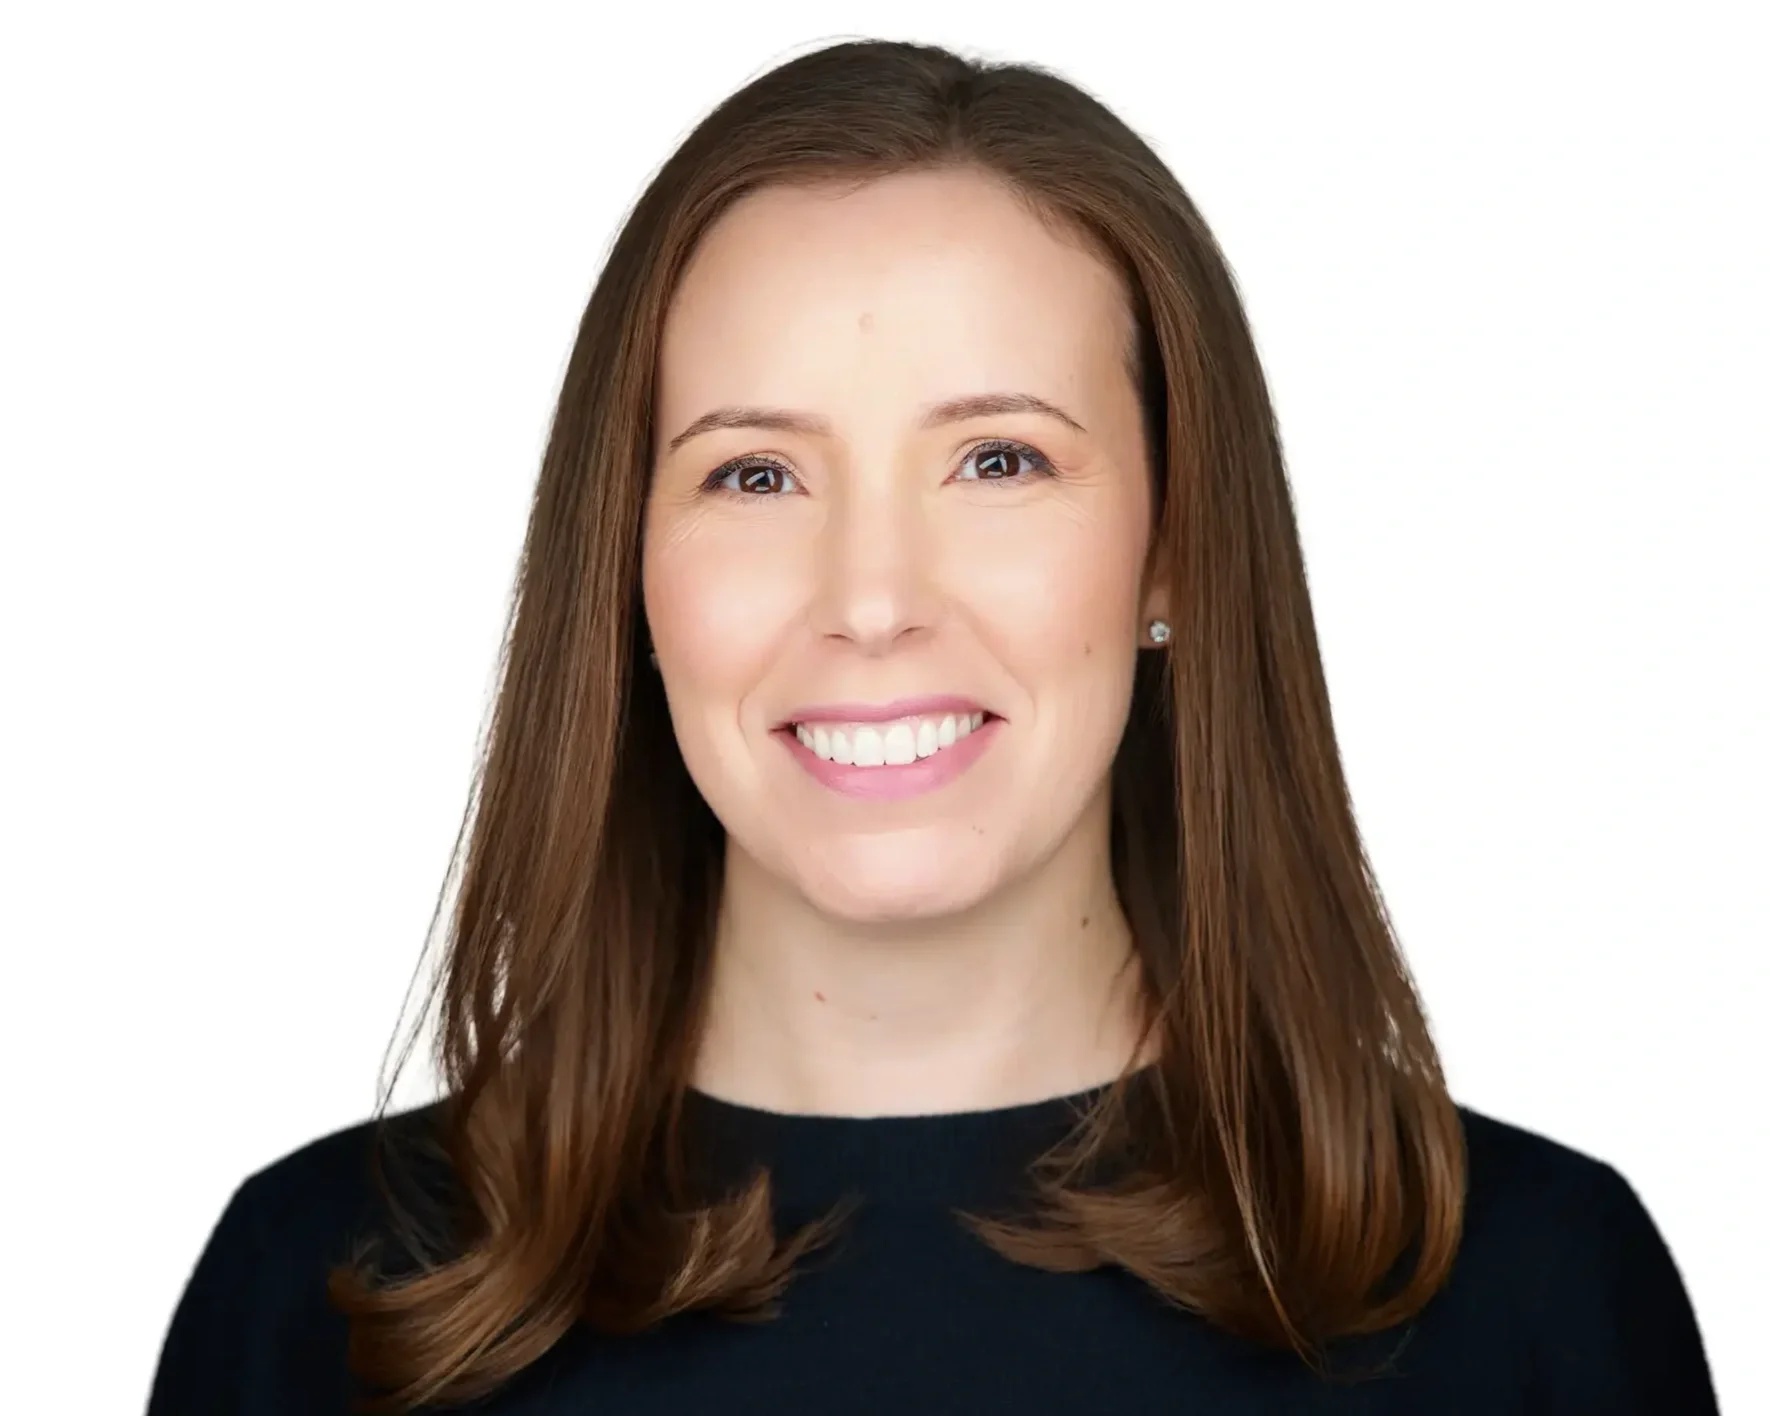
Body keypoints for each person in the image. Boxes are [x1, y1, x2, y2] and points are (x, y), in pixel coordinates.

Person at [146, 37, 1719, 1416]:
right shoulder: (323, 1302)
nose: (874, 597)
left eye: (999, 463)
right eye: (753, 474)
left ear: (1174, 544)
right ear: (627, 570)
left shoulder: (1532, 1299)